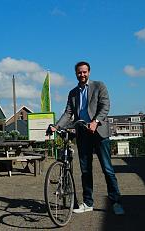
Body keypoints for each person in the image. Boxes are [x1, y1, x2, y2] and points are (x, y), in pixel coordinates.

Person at [50, 61, 125, 215]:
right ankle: (88, 202)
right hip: (82, 134)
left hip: (99, 133)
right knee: (85, 171)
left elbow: (105, 106)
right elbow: (68, 113)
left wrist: (95, 121)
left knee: (108, 169)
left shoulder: (99, 86)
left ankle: (116, 202)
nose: (82, 75)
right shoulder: (73, 93)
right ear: (76, 73)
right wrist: (56, 126)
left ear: (89, 72)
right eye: (79, 72)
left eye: (84, 72)